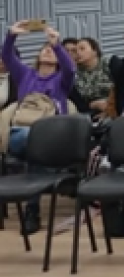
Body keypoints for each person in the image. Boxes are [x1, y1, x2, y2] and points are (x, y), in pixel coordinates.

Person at [0, 21, 75, 235]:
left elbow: (70, 67)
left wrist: (57, 44)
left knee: (37, 152)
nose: (49, 51)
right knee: (32, 141)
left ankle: (32, 211)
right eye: (45, 49)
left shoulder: (62, 79)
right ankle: (32, 210)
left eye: (52, 51)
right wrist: (11, 35)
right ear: (38, 56)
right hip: (21, 134)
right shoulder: (25, 75)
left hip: (52, 135)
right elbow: (7, 57)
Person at [72, 38, 114, 118]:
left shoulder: (110, 62)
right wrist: (94, 104)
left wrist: (111, 106)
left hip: (116, 106)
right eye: (75, 51)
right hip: (91, 113)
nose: (78, 53)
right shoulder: (74, 74)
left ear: (94, 51)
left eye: (82, 49)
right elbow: (78, 103)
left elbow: (123, 88)